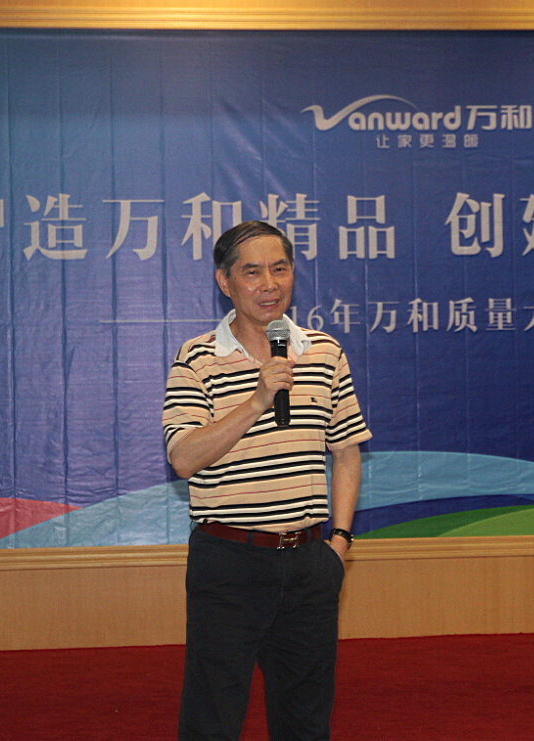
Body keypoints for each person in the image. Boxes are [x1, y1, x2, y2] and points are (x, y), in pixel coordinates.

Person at [163, 220, 372, 741]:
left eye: (280, 269)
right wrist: (257, 400)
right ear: (224, 281)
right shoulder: (197, 358)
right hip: (228, 561)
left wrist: (339, 544)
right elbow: (183, 458)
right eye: (252, 272)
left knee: (306, 721)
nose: (269, 284)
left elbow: (347, 451)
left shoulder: (324, 352)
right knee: (212, 720)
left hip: (309, 562)